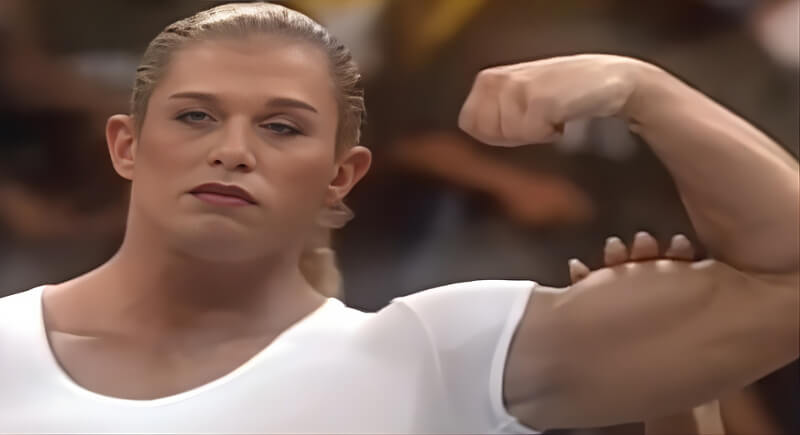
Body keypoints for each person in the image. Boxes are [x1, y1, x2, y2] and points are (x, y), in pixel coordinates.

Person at [0, 2, 797, 433]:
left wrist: (639, 87)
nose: (233, 150)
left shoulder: (434, 352)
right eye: (195, 117)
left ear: (340, 176)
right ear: (127, 145)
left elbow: (787, 279)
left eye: (282, 127)